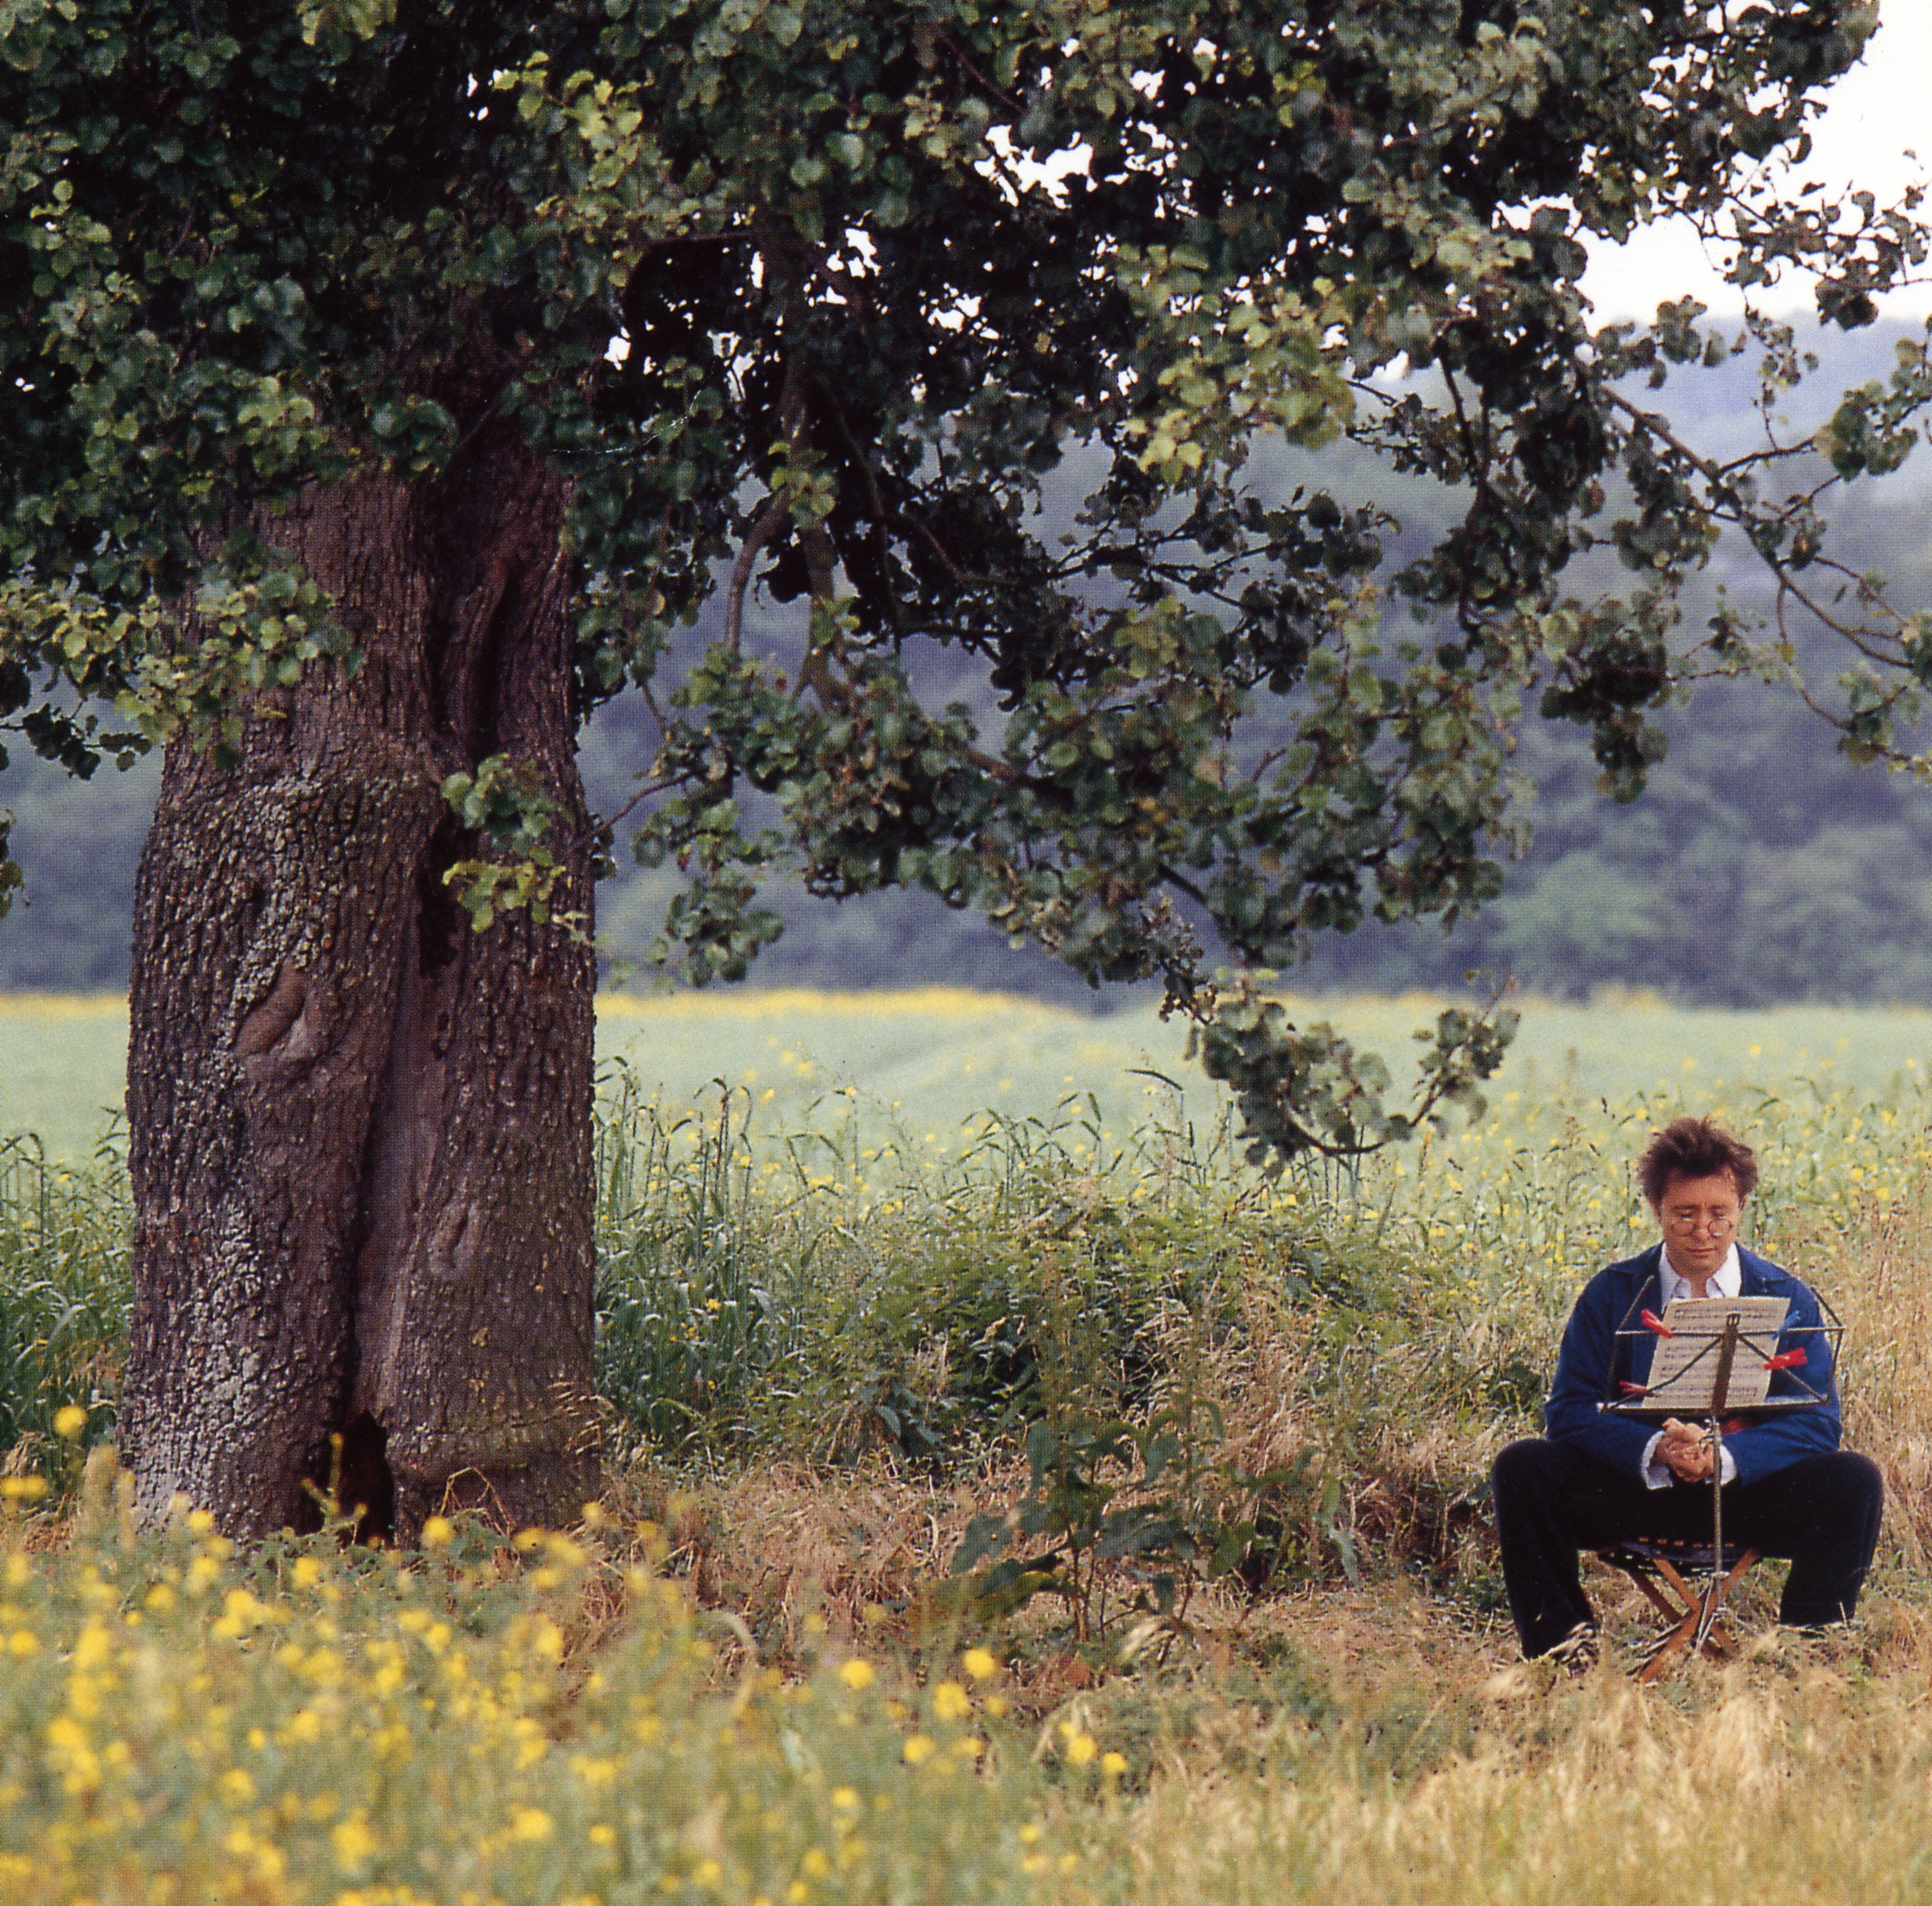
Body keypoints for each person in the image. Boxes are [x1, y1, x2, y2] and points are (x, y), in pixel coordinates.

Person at [1491, 1114, 1882, 1665]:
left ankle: (1807, 1662)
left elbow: (1818, 1422)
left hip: (1747, 1495)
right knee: (1523, 1468)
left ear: (1742, 1207)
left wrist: (1723, 1457)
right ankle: (1564, 1657)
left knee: (1854, 1479)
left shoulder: (1784, 1293)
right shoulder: (1613, 1293)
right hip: (1638, 1493)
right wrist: (1655, 1450)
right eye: (1685, 1214)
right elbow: (1571, 1412)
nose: (1704, 1230)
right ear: (1657, 1212)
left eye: (1719, 1213)